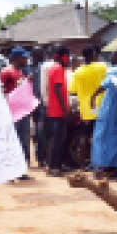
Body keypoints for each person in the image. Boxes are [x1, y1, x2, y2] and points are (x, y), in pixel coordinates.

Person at [90, 49, 117, 178]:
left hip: (108, 109)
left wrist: (93, 96)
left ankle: (99, 167)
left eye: (112, 55)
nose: (110, 58)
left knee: (101, 138)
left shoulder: (113, 70)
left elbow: (104, 85)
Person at [1, 47, 33, 180]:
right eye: (24, 57)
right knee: (12, 141)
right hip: (12, 113)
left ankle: (21, 170)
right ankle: (10, 171)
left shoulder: (21, 72)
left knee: (24, 141)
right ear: (16, 58)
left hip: (23, 112)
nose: (26, 60)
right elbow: (1, 90)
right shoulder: (6, 72)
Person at [45, 47, 70, 177]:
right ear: (61, 56)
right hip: (58, 111)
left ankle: (55, 165)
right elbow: (58, 89)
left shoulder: (54, 68)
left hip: (55, 110)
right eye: (67, 56)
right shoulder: (58, 69)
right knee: (57, 140)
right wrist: (65, 109)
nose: (68, 59)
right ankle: (54, 167)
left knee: (57, 139)